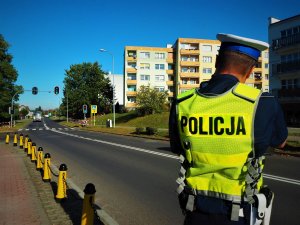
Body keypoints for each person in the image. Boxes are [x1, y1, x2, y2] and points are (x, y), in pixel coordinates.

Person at [169, 33, 288, 225]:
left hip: (194, 209)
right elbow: (280, 141)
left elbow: (177, 148)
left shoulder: (182, 102)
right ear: (250, 70)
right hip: (239, 213)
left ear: (217, 61)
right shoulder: (262, 102)